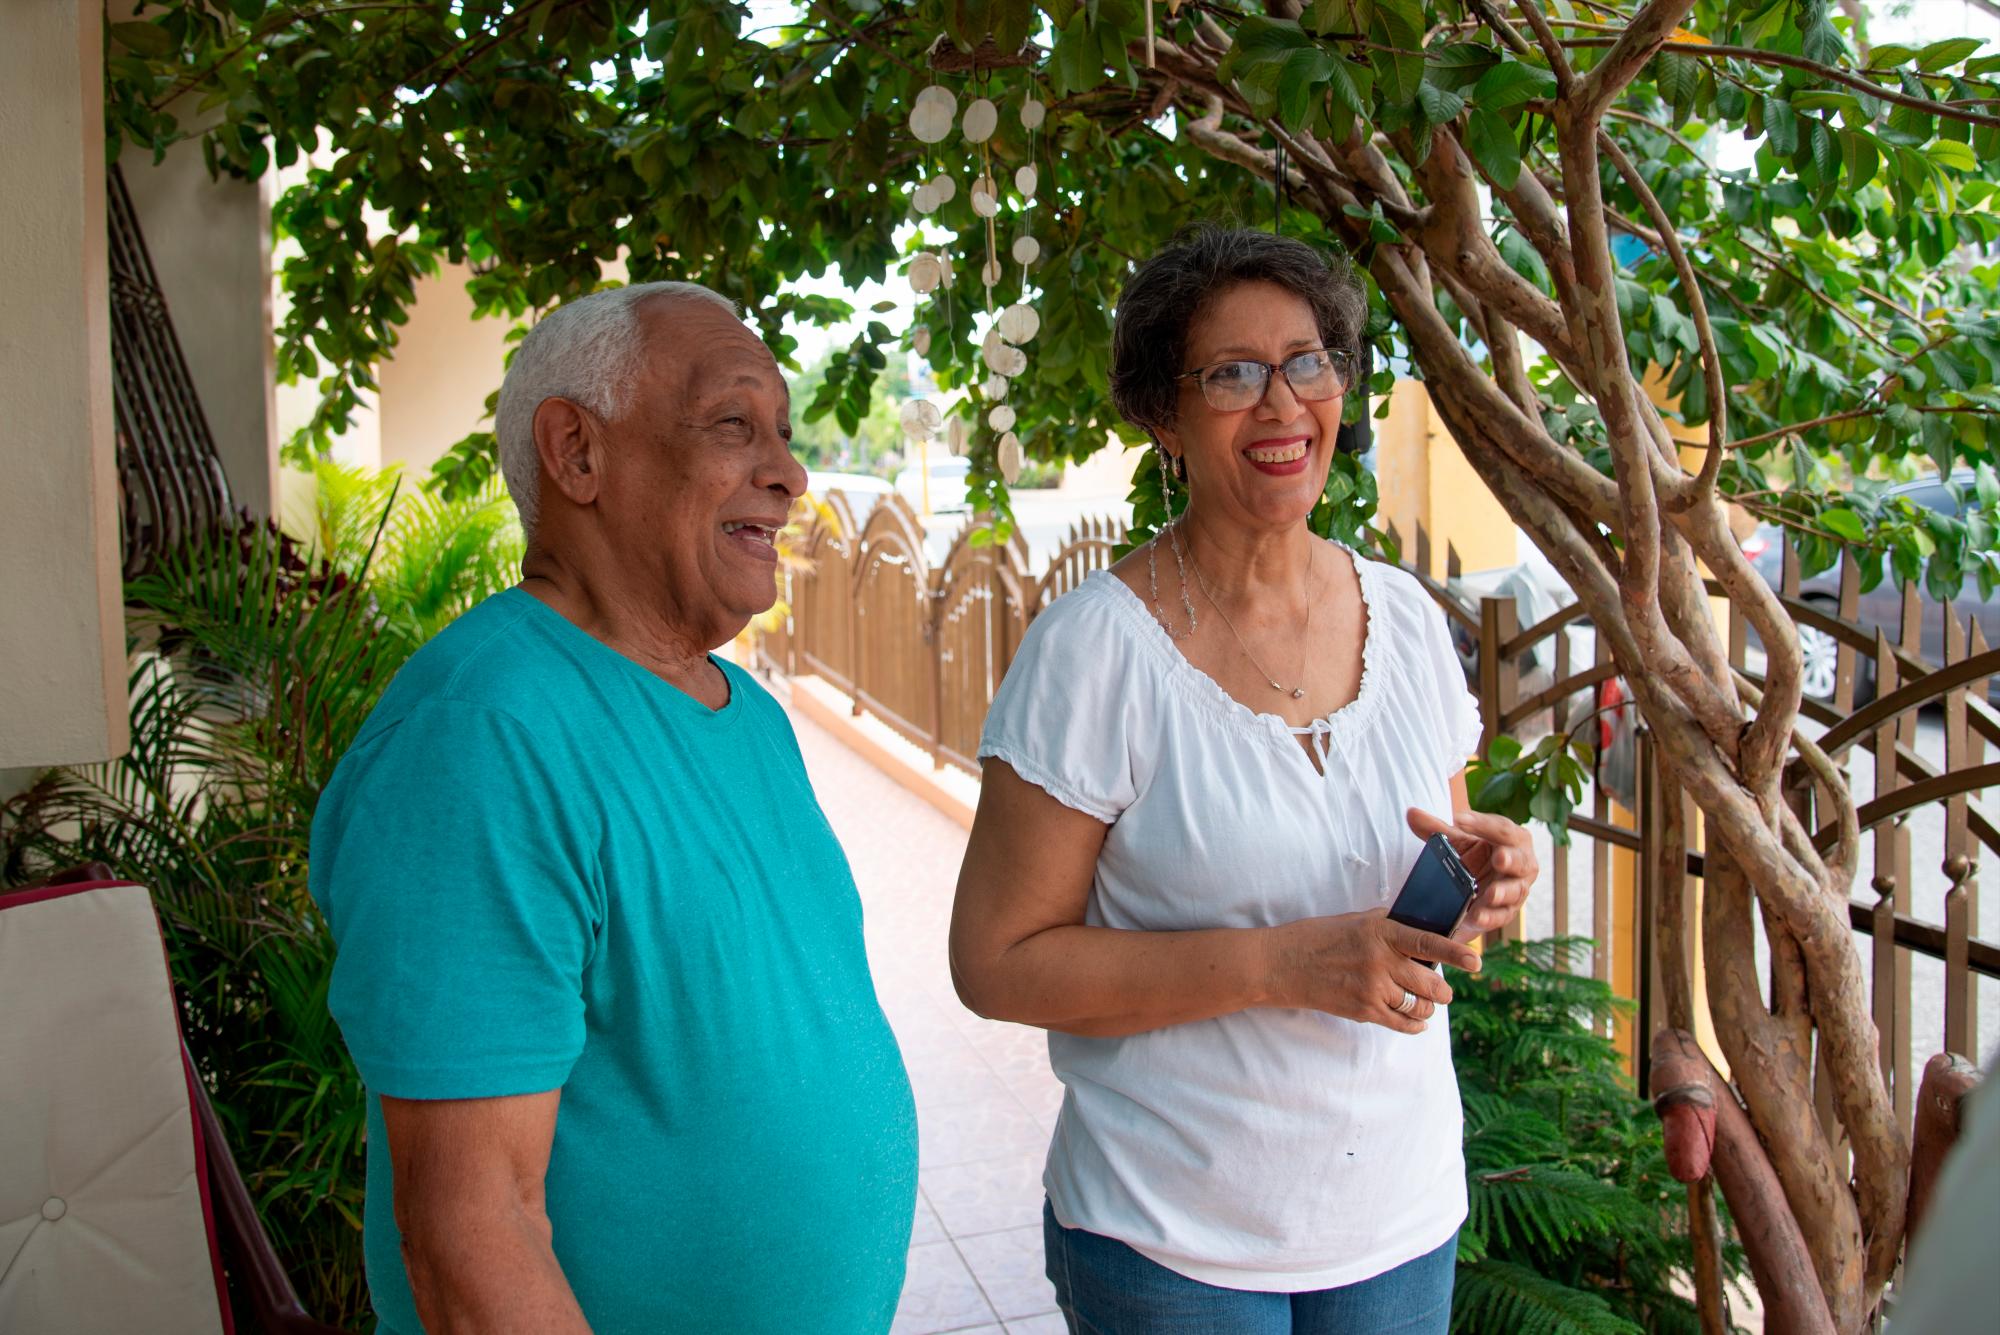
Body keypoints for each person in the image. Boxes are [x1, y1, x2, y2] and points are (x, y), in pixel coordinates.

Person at [949, 226, 1538, 1334]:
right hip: (1168, 1235)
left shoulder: (1405, 619)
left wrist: (1484, 881)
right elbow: (994, 965)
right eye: (1231, 374)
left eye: (1306, 362)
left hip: (1396, 1218)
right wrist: (1281, 965)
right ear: (1162, 418)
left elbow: (1434, 880)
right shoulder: (1093, 652)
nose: (1280, 404)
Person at [310, 282, 917, 1335]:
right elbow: (470, 1238)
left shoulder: (749, 719)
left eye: (781, 429)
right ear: (577, 454)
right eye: (735, 424)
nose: (787, 472)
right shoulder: (484, 737)